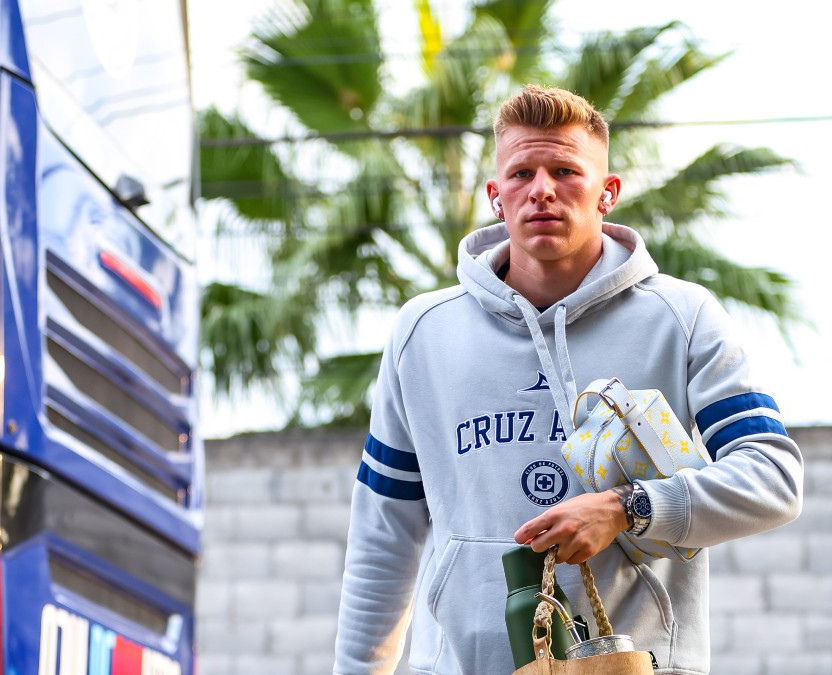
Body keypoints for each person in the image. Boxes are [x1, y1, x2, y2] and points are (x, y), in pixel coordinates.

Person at [333, 85, 803, 675]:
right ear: (496, 197)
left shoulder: (681, 318)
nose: (542, 190)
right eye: (521, 173)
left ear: (608, 192)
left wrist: (629, 507)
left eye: (565, 171)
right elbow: (384, 531)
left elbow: (773, 477)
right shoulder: (423, 332)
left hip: (636, 664)